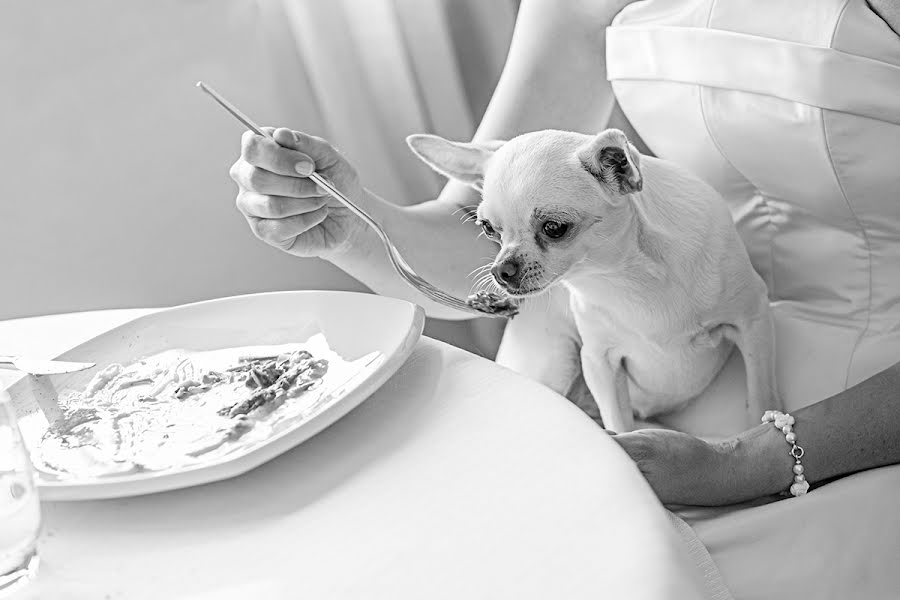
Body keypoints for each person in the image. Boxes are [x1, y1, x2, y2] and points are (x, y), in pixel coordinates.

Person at [230, 0, 900, 508]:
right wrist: (352, 223)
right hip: (637, 371)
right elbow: (491, 237)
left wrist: (751, 462)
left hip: (863, 415)